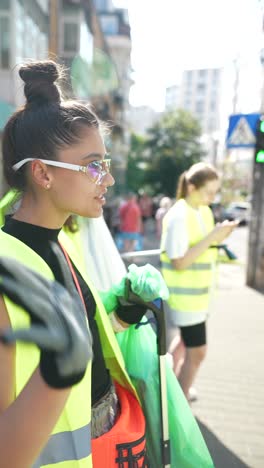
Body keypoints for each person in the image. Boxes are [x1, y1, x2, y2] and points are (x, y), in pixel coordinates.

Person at [0, 60, 155, 468]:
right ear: (42, 174)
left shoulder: (64, 240)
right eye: (92, 166)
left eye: (106, 165)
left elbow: (82, 325)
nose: (107, 180)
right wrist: (60, 368)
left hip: (105, 445)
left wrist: (121, 313)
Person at [160, 162, 238, 401]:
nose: (213, 197)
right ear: (192, 187)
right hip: (186, 300)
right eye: (209, 192)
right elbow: (179, 262)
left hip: (199, 297)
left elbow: (201, 248)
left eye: (216, 192)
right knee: (197, 353)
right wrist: (213, 237)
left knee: (185, 343)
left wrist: (218, 237)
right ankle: (179, 406)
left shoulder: (202, 210)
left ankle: (166, 386)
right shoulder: (178, 216)